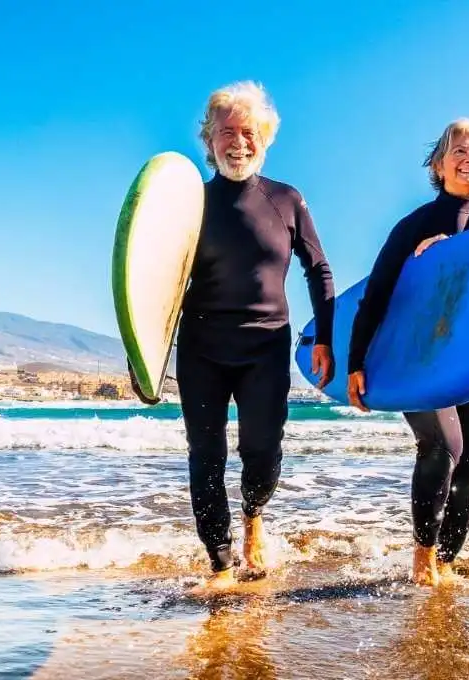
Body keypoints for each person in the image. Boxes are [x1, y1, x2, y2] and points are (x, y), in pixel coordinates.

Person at [129, 81, 335, 594]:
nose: (237, 142)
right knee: (206, 454)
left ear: (264, 138)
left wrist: (327, 338)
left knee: (263, 450)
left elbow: (319, 270)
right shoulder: (191, 205)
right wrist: (142, 353)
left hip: (266, 346)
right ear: (210, 140)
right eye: (227, 132)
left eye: (248, 132)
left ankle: (254, 514)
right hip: (203, 344)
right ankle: (220, 564)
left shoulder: (286, 200)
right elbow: (156, 280)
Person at [346, 118, 469, 587]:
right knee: (443, 445)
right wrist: (356, 363)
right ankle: (423, 560)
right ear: (439, 164)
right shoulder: (414, 226)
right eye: (459, 151)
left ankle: (447, 563)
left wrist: (460, 256)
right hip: (420, 356)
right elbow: (379, 295)